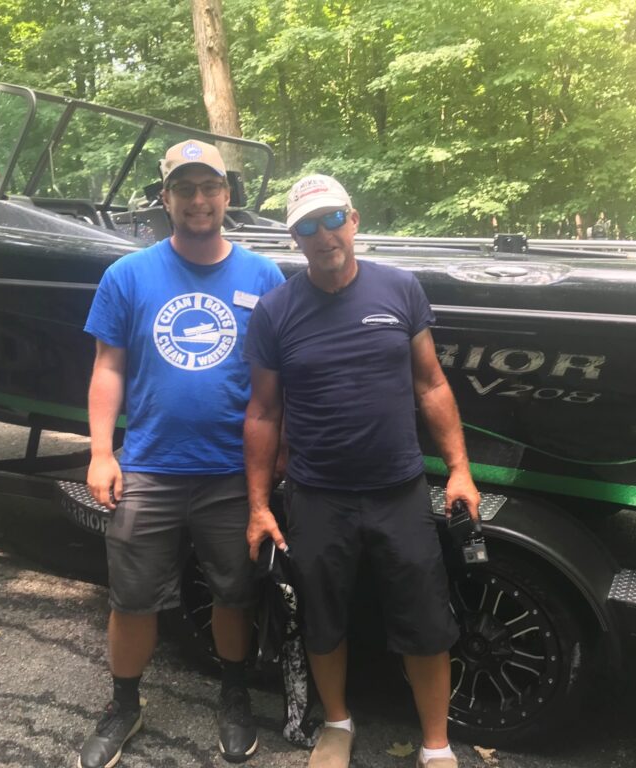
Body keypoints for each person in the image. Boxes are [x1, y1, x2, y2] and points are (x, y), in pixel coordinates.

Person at [243, 174, 481, 768]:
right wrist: (259, 506)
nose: (323, 234)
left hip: (399, 491)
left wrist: (459, 470)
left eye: (332, 219)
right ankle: (338, 724)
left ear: (352, 220)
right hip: (317, 495)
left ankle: (436, 745)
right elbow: (264, 412)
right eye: (308, 225)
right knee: (323, 620)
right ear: (295, 238)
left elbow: (431, 384)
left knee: (426, 623)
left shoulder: (399, 288)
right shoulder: (275, 312)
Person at [79, 139, 285, 768]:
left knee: (235, 592)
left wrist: (279, 458)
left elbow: (279, 381)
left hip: (233, 471)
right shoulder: (127, 275)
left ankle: (233, 695)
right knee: (132, 598)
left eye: (210, 187)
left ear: (227, 196)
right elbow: (108, 367)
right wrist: (101, 452)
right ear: (165, 198)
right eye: (185, 189)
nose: (199, 200)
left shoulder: (265, 277)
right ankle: (124, 704)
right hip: (148, 466)